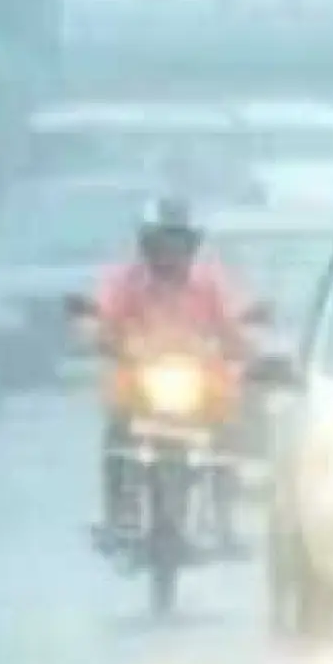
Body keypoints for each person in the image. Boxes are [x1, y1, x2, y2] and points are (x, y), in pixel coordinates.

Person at [84, 196, 257, 551]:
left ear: (192, 246)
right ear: (145, 245)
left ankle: (225, 519)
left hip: (199, 386)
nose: (169, 254)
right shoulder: (125, 281)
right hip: (141, 385)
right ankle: (118, 516)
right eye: (161, 244)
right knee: (117, 431)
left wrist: (243, 346)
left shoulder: (210, 282)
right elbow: (100, 320)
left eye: (177, 244)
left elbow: (236, 325)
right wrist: (101, 337)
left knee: (228, 432)